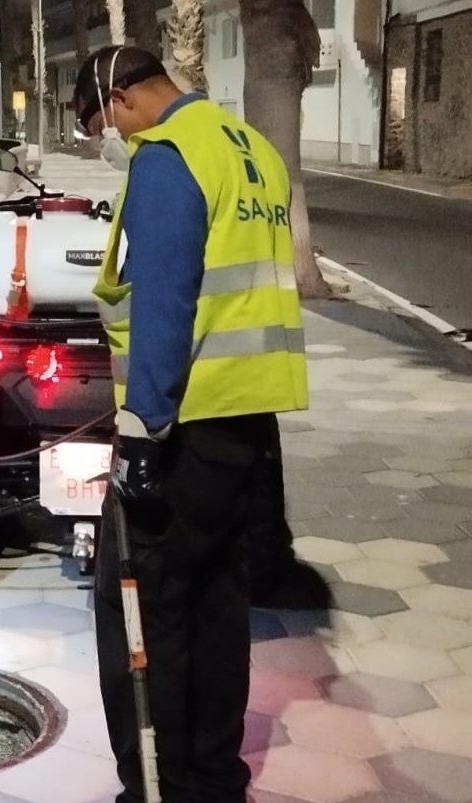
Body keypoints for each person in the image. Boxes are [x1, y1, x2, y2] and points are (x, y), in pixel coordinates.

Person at [72, 46, 309, 803]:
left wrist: (142, 431)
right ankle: (214, 775)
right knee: (217, 600)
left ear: (120, 96)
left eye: (103, 123)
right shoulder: (251, 148)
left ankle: (159, 786)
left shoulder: (169, 155)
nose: (113, 139)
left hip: (183, 421)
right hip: (248, 417)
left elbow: (164, 301)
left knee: (142, 606)